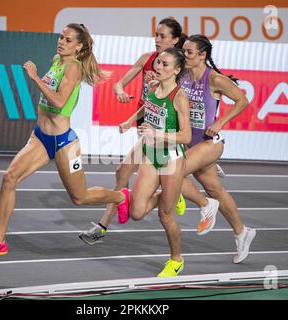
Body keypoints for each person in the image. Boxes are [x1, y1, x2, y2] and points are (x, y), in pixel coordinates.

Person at [0, 23, 129, 260]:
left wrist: (35, 77)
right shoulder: (58, 60)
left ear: (78, 46)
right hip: (40, 137)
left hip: (64, 143)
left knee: (80, 198)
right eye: (61, 37)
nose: (61, 42)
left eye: (68, 40)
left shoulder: (74, 68)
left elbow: (59, 102)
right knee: (9, 178)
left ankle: (120, 197)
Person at [121, 34, 256, 264]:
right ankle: (242, 232)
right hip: (185, 143)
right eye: (183, 51)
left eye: (190, 52)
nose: (184, 55)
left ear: (203, 55)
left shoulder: (214, 79)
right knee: (215, 190)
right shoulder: (180, 75)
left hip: (208, 142)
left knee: (174, 172)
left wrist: (220, 122)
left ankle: (199, 204)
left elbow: (242, 101)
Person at [78, 17, 189, 245]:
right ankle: (103, 224)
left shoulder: (179, 79)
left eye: (162, 36)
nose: (157, 40)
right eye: (155, 35)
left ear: (175, 41)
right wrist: (129, 117)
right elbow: (137, 96)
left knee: (174, 199)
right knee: (123, 173)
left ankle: (178, 243)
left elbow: (182, 125)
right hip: (148, 130)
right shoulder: (148, 63)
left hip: (168, 139)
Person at [117, 47, 191, 277]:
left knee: (165, 216)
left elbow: (186, 136)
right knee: (136, 212)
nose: (158, 67)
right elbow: (147, 107)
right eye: (158, 62)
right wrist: (130, 120)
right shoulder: (152, 86)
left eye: (165, 65)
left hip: (171, 158)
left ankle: (176, 260)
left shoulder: (179, 97)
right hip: (151, 154)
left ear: (177, 70)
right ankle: (170, 195)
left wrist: (157, 134)